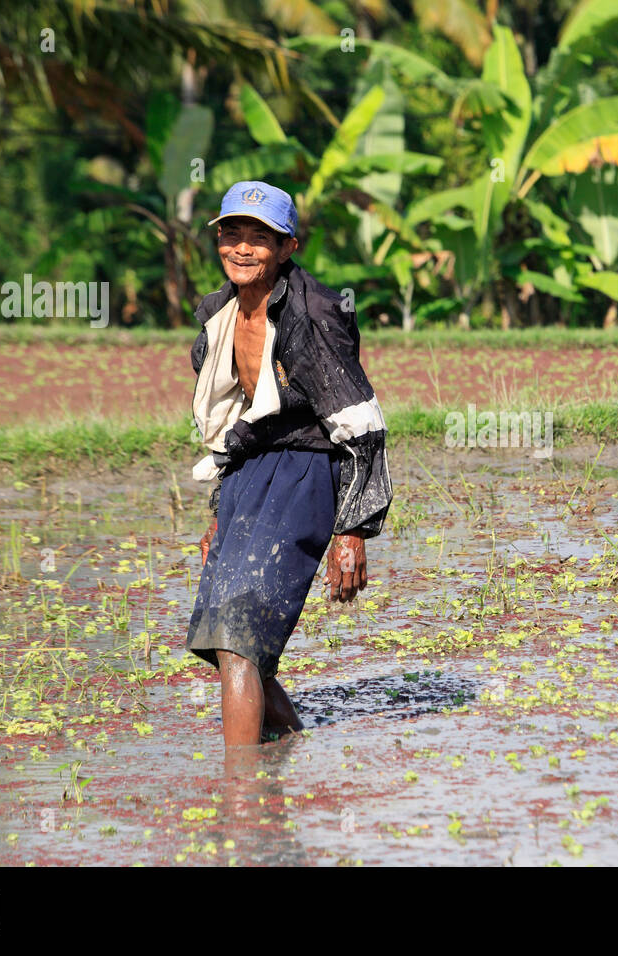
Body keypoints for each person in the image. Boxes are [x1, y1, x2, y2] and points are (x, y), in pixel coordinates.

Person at [186, 180, 391, 747]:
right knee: (223, 639)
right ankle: (287, 751)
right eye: (232, 234)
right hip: (250, 470)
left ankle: (239, 790)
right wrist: (218, 514)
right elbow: (231, 425)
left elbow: (363, 423)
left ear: (287, 248)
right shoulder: (216, 317)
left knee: (237, 638)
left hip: (306, 466)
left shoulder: (314, 312)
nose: (242, 248)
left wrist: (352, 530)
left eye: (260, 237)